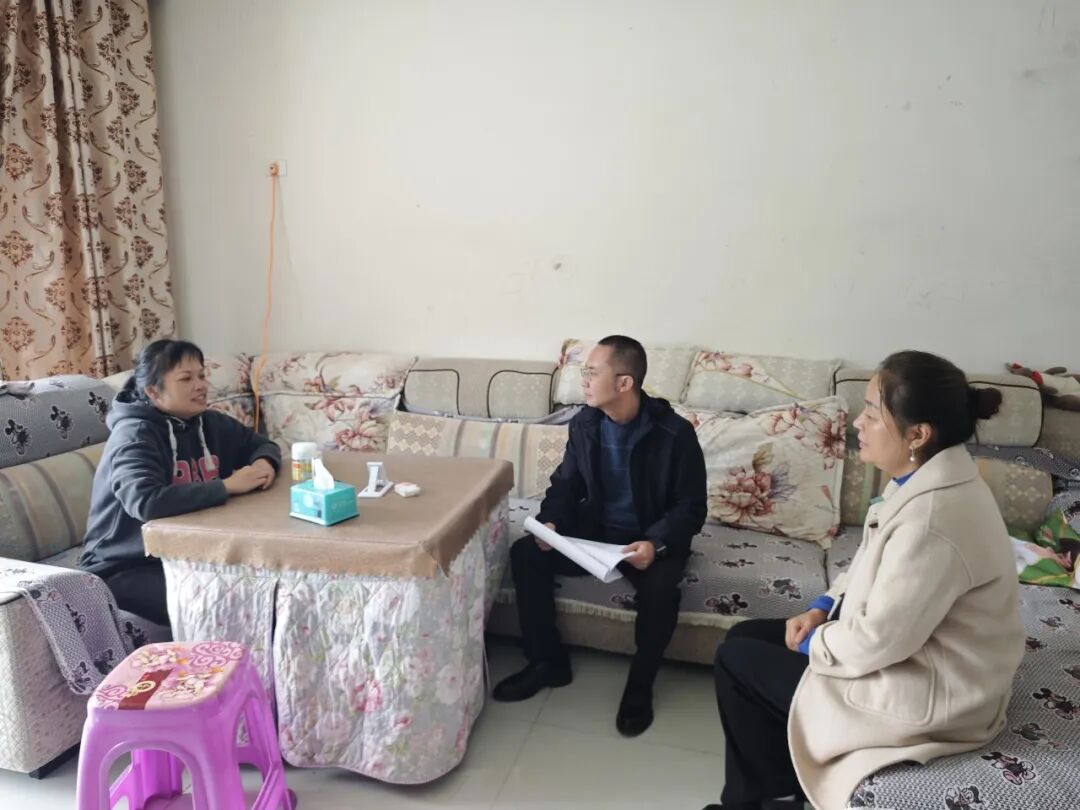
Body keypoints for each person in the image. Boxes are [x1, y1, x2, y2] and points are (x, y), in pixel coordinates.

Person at [707, 350, 1025, 810]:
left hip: (936, 693)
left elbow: (878, 642)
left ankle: (750, 800)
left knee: (737, 660)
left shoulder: (932, 520)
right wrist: (821, 606)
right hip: (917, 652)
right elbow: (867, 561)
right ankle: (775, 789)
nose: (858, 422)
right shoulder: (925, 477)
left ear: (917, 434)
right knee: (745, 636)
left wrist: (813, 642)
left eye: (873, 413)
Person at [493, 335, 707, 737]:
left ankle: (640, 686)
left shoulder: (674, 433)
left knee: (661, 592)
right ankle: (547, 662)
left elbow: (690, 506)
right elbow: (566, 484)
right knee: (527, 554)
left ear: (624, 383)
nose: (584, 381)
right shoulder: (585, 423)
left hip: (647, 539)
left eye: (592, 373)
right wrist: (552, 522)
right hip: (596, 531)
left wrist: (656, 543)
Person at [80, 339, 281, 626]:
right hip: (125, 566)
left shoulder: (209, 423)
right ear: (153, 391)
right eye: (186, 379)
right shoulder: (134, 435)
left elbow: (260, 444)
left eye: (201, 375)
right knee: (228, 604)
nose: (200, 386)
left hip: (186, 554)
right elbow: (145, 501)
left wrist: (264, 462)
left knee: (270, 585)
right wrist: (226, 486)